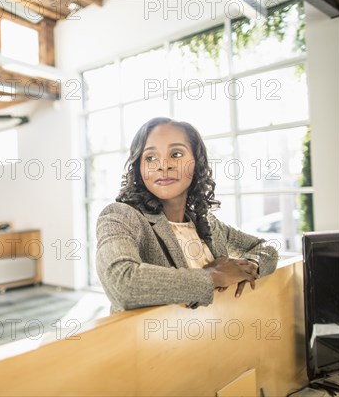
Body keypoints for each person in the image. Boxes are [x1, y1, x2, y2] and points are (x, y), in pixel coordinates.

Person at [96, 117, 278, 314]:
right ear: (140, 169)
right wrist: (213, 276)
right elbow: (122, 284)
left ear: (197, 163)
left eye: (176, 154)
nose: (163, 165)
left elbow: (267, 248)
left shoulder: (207, 223)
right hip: (145, 342)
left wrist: (250, 266)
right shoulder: (120, 216)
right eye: (150, 158)